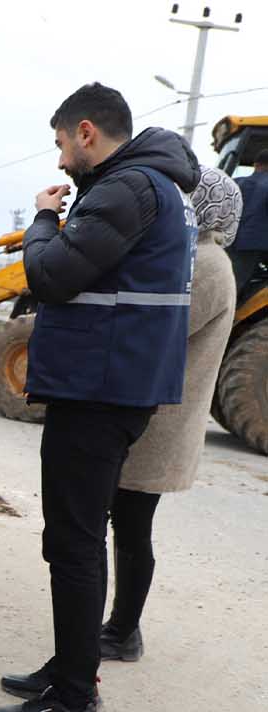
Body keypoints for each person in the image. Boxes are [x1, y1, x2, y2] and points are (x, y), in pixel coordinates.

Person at [0, 84, 198, 712]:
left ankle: (74, 703)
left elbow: (50, 277)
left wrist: (44, 220)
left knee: (75, 542)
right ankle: (69, 664)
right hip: (114, 385)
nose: (57, 163)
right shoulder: (155, 187)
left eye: (59, 145)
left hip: (100, 388)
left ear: (86, 133)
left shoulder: (126, 189)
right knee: (72, 538)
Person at [99, 166, 241, 661]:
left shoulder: (205, 263)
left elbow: (162, 329)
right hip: (158, 417)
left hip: (161, 423)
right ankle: (119, 626)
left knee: (133, 527)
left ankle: (124, 631)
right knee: (126, 523)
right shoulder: (202, 258)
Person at [227, 149, 268, 295]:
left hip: (227, 241)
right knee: (234, 289)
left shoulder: (234, 183)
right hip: (256, 246)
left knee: (227, 284)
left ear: (256, 165)